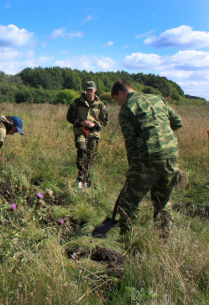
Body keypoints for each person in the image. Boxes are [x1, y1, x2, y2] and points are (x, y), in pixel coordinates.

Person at [111, 80, 182, 238]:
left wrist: (132, 169)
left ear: (121, 93)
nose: (118, 103)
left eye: (116, 99)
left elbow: (130, 143)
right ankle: (164, 239)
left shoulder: (127, 108)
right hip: (170, 157)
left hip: (147, 159)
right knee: (162, 200)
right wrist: (162, 136)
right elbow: (177, 122)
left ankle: (125, 236)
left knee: (129, 199)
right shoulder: (157, 99)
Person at [66, 81, 108, 189]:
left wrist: (94, 124)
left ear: (95, 90)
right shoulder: (77, 102)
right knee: (81, 149)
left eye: (91, 90)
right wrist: (80, 122)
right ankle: (81, 175)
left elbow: (104, 121)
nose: (89, 92)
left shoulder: (100, 104)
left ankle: (87, 178)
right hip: (80, 131)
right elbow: (70, 117)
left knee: (91, 155)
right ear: (85, 90)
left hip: (93, 133)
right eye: (88, 90)